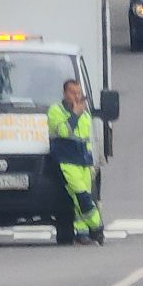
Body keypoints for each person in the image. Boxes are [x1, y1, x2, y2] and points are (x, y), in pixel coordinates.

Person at [47, 79, 104, 245]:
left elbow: (86, 140)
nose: (77, 96)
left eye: (79, 93)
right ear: (65, 94)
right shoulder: (55, 110)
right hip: (66, 161)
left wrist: (91, 163)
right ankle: (98, 227)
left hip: (83, 162)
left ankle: (82, 232)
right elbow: (64, 131)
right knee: (82, 196)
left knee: (80, 201)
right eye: (73, 93)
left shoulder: (85, 114)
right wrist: (75, 114)